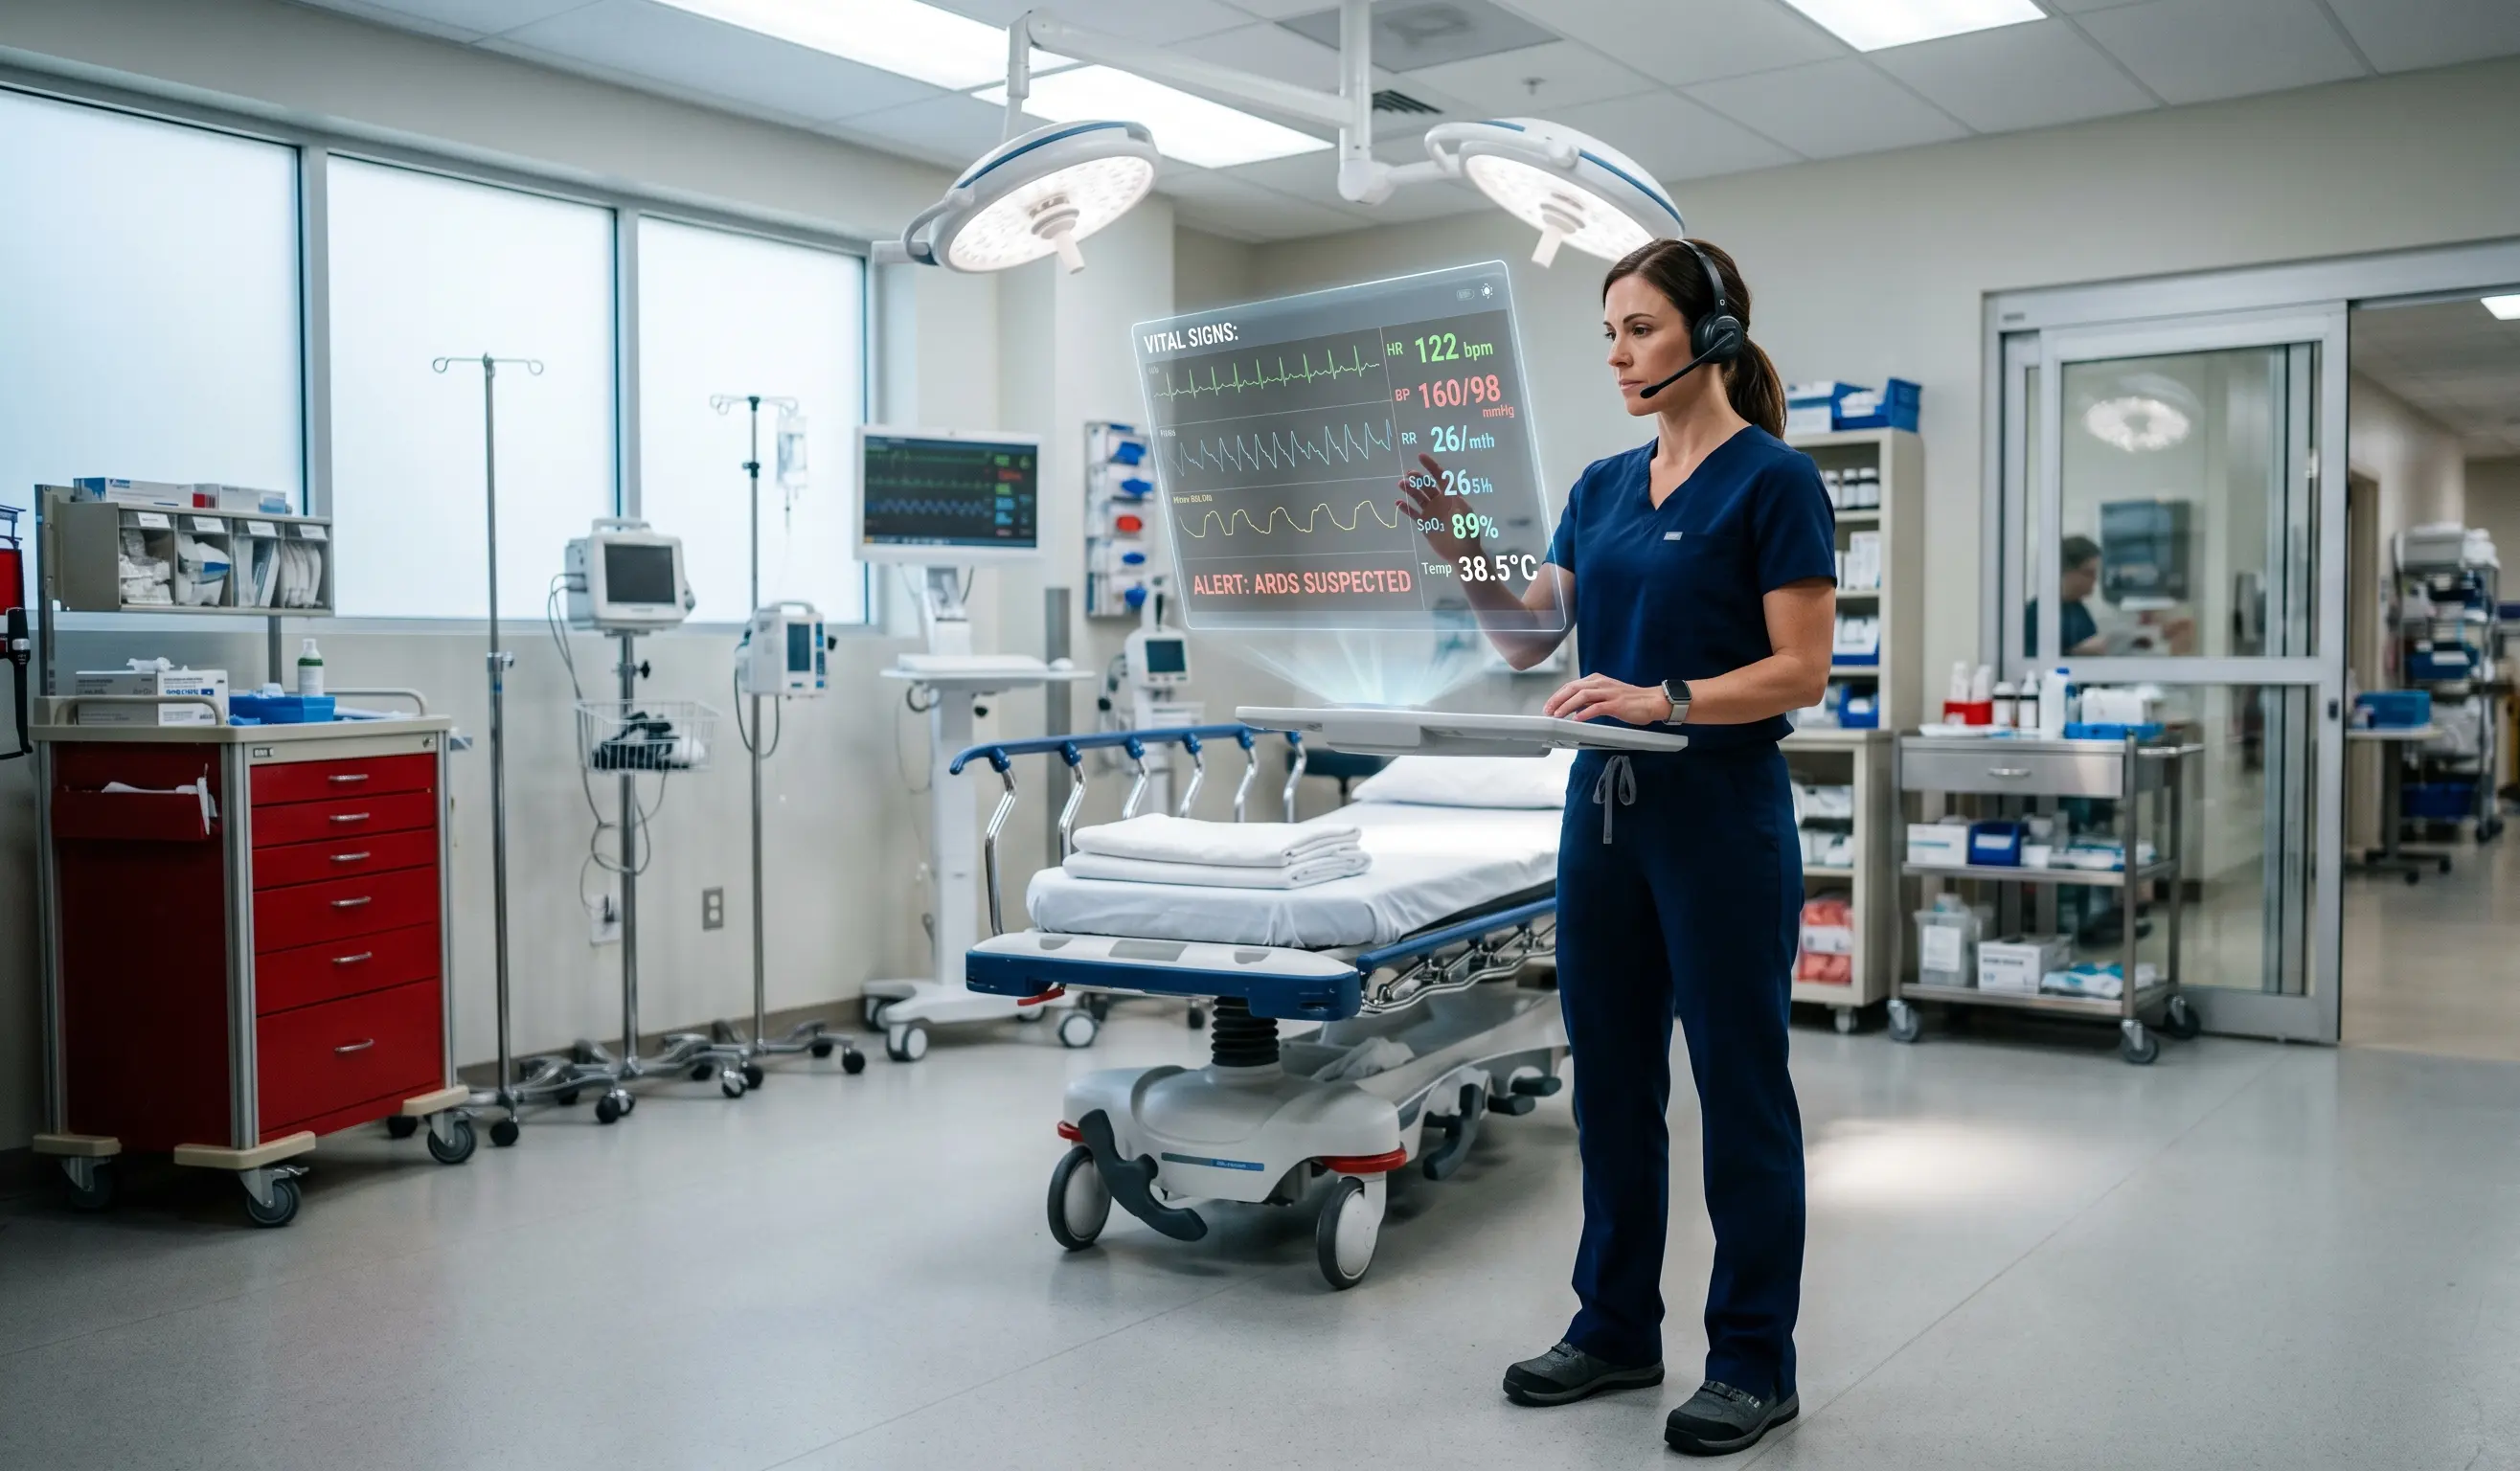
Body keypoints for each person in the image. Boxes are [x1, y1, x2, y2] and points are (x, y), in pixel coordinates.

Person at [1398, 238, 1835, 1457]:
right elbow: (1531, 636)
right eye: (1608, 333)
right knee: (1614, 1089)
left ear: (1714, 335)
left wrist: (1666, 698)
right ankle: (1614, 1328)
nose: (1619, 355)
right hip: (1604, 824)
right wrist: (1460, 540)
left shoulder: (1773, 483)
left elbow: (1802, 666)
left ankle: (1754, 1360)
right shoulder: (1600, 486)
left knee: (1741, 1094)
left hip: (1720, 818)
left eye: (1640, 329)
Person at [2025, 535, 2108, 657]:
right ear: (2065, 572)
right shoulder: (2037, 615)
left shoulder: (2078, 609)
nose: (2094, 579)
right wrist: (2075, 653)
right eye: (2088, 573)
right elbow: (2034, 662)